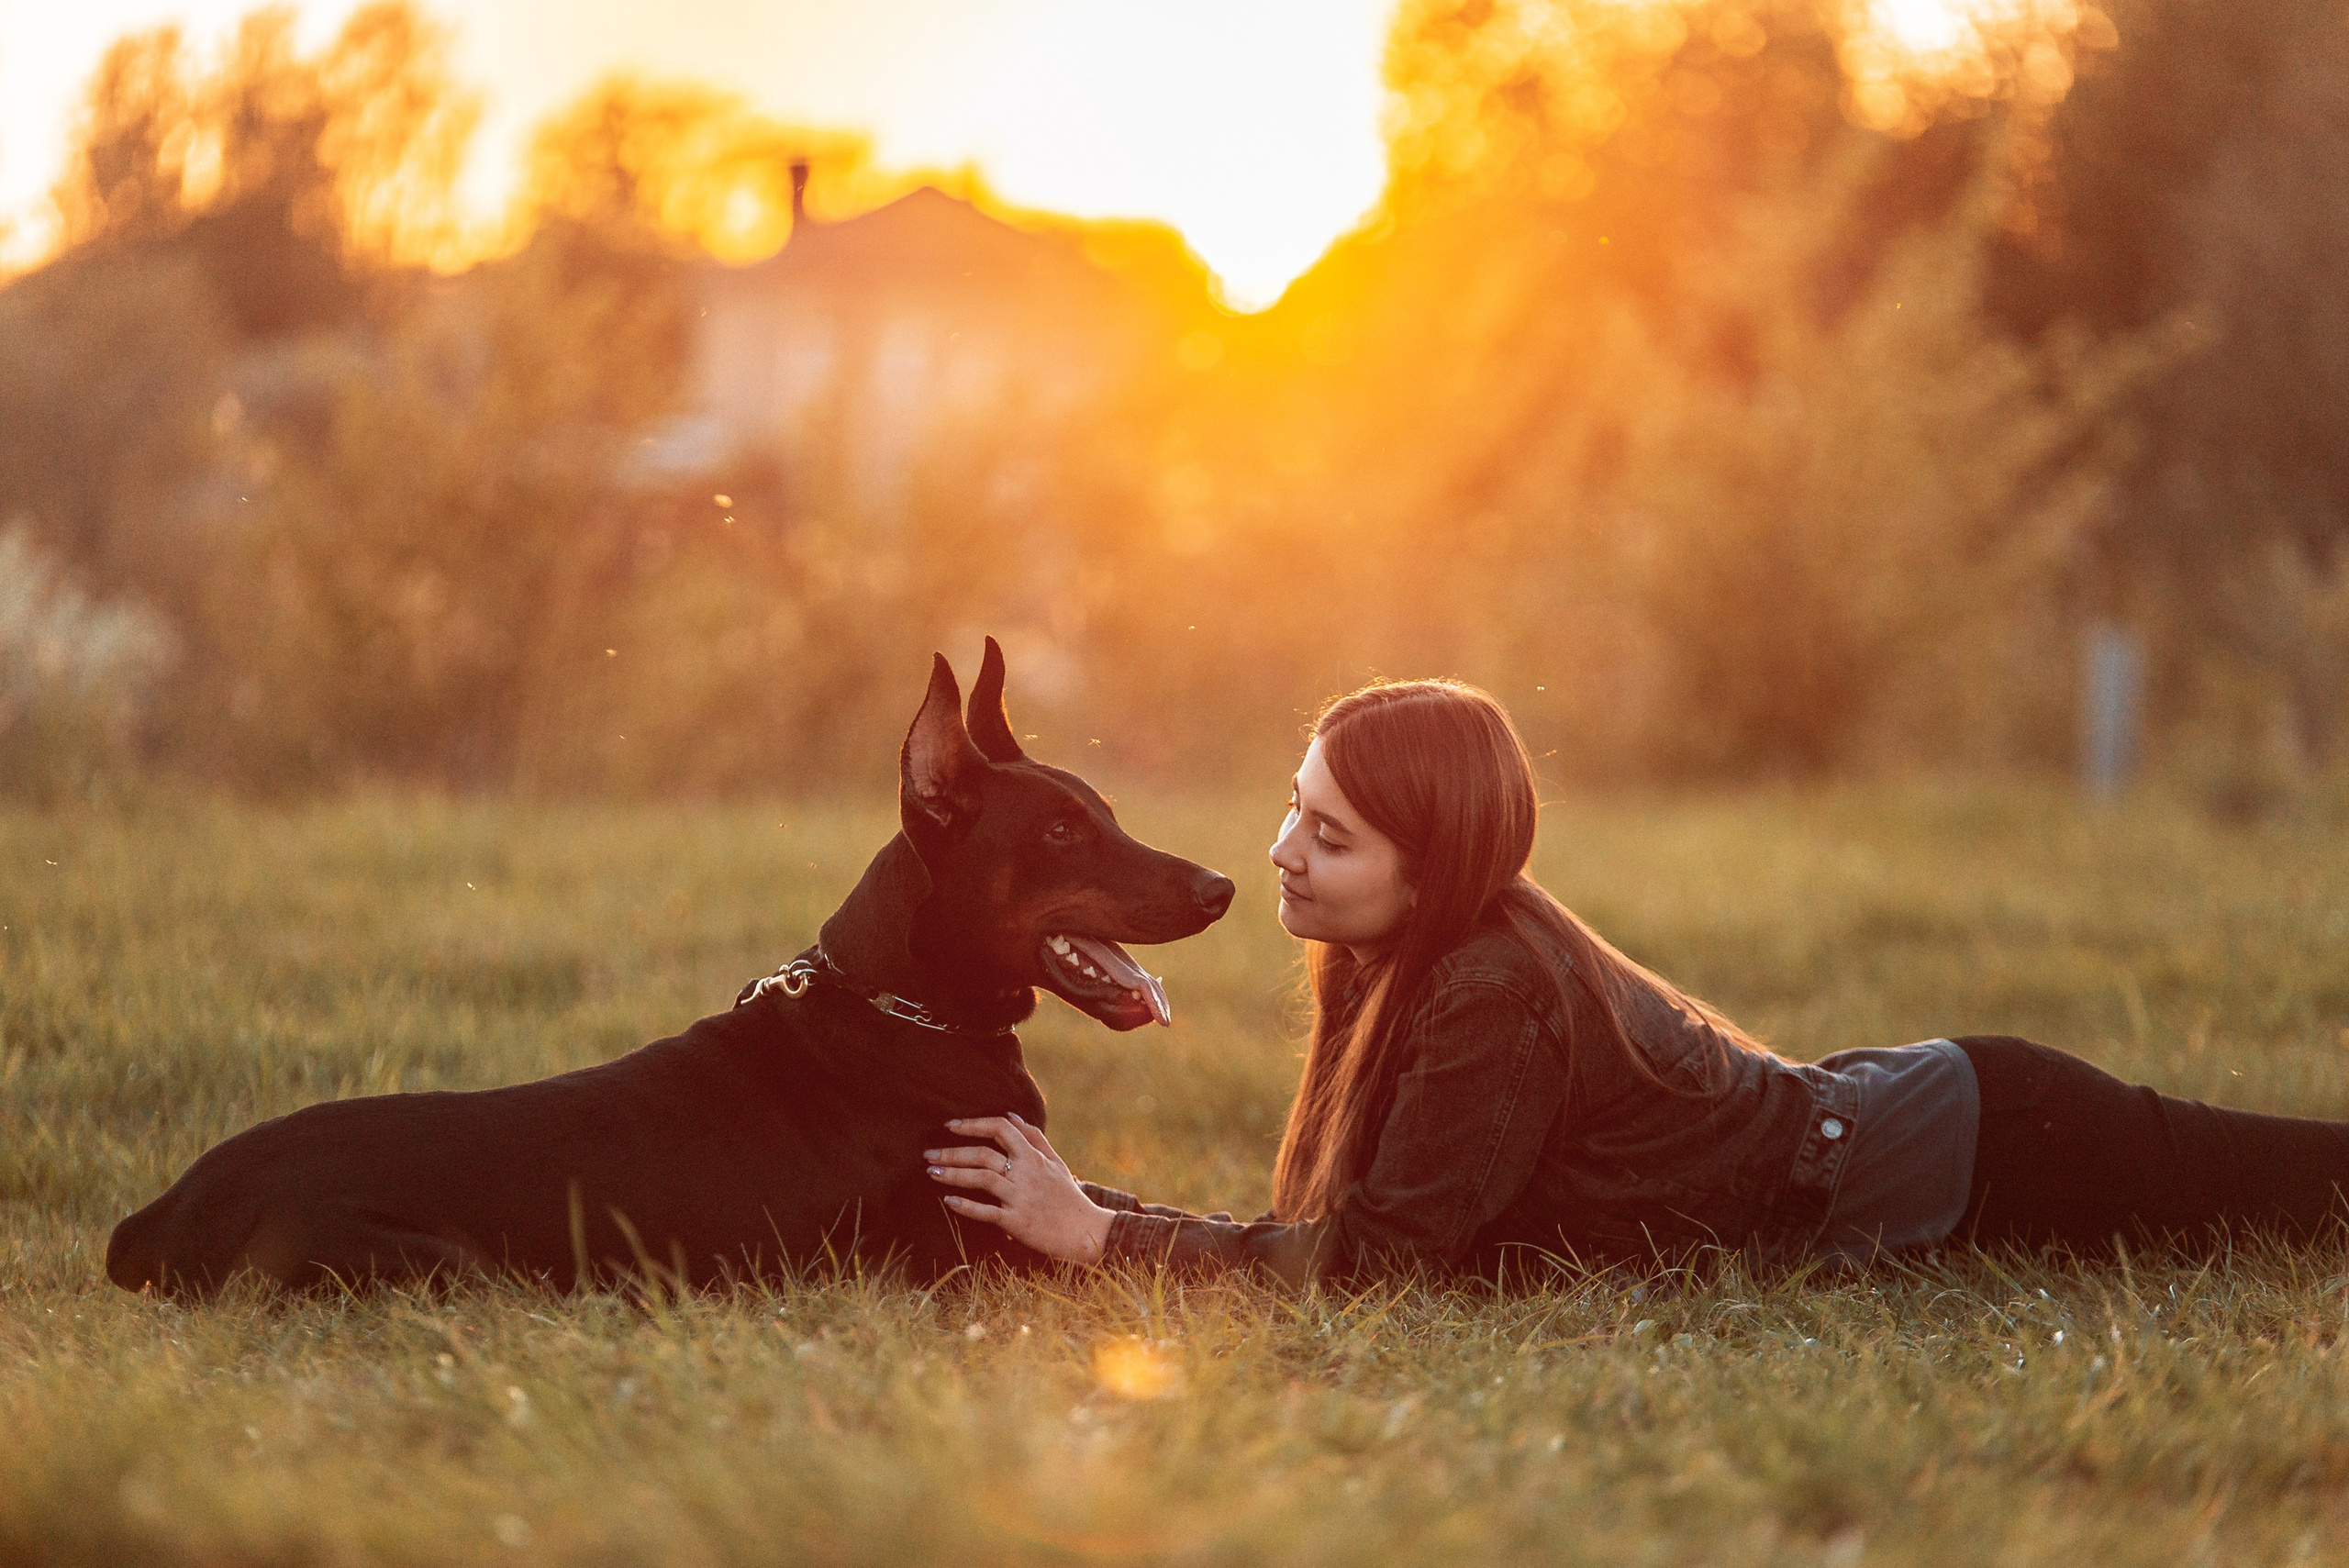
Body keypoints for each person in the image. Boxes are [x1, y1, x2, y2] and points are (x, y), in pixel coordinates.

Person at [925, 680, 2349, 1285]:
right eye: (1295, 806)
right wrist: (1091, 1211)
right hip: (1891, 1107)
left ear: (1438, 860)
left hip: (1985, 1141)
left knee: (2289, 1195)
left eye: (1332, 833)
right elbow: (1353, 1231)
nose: (1280, 853)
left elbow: (1373, 1274)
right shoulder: (1391, 956)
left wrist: (1104, 1236)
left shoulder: (1490, 987)